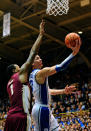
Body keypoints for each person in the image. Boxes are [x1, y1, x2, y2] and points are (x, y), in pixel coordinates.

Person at [29, 38, 81, 131]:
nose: (40, 59)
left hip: (44, 109)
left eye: (40, 57)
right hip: (41, 109)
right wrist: (74, 53)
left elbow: (48, 91)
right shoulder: (41, 73)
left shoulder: (33, 75)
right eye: (37, 58)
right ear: (32, 63)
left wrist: (63, 91)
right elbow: (61, 66)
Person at [4, 20, 45, 131]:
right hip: (21, 116)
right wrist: (40, 35)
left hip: (10, 117)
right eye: (18, 67)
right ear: (14, 70)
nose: (20, 67)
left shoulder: (9, 84)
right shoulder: (20, 75)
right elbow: (32, 53)